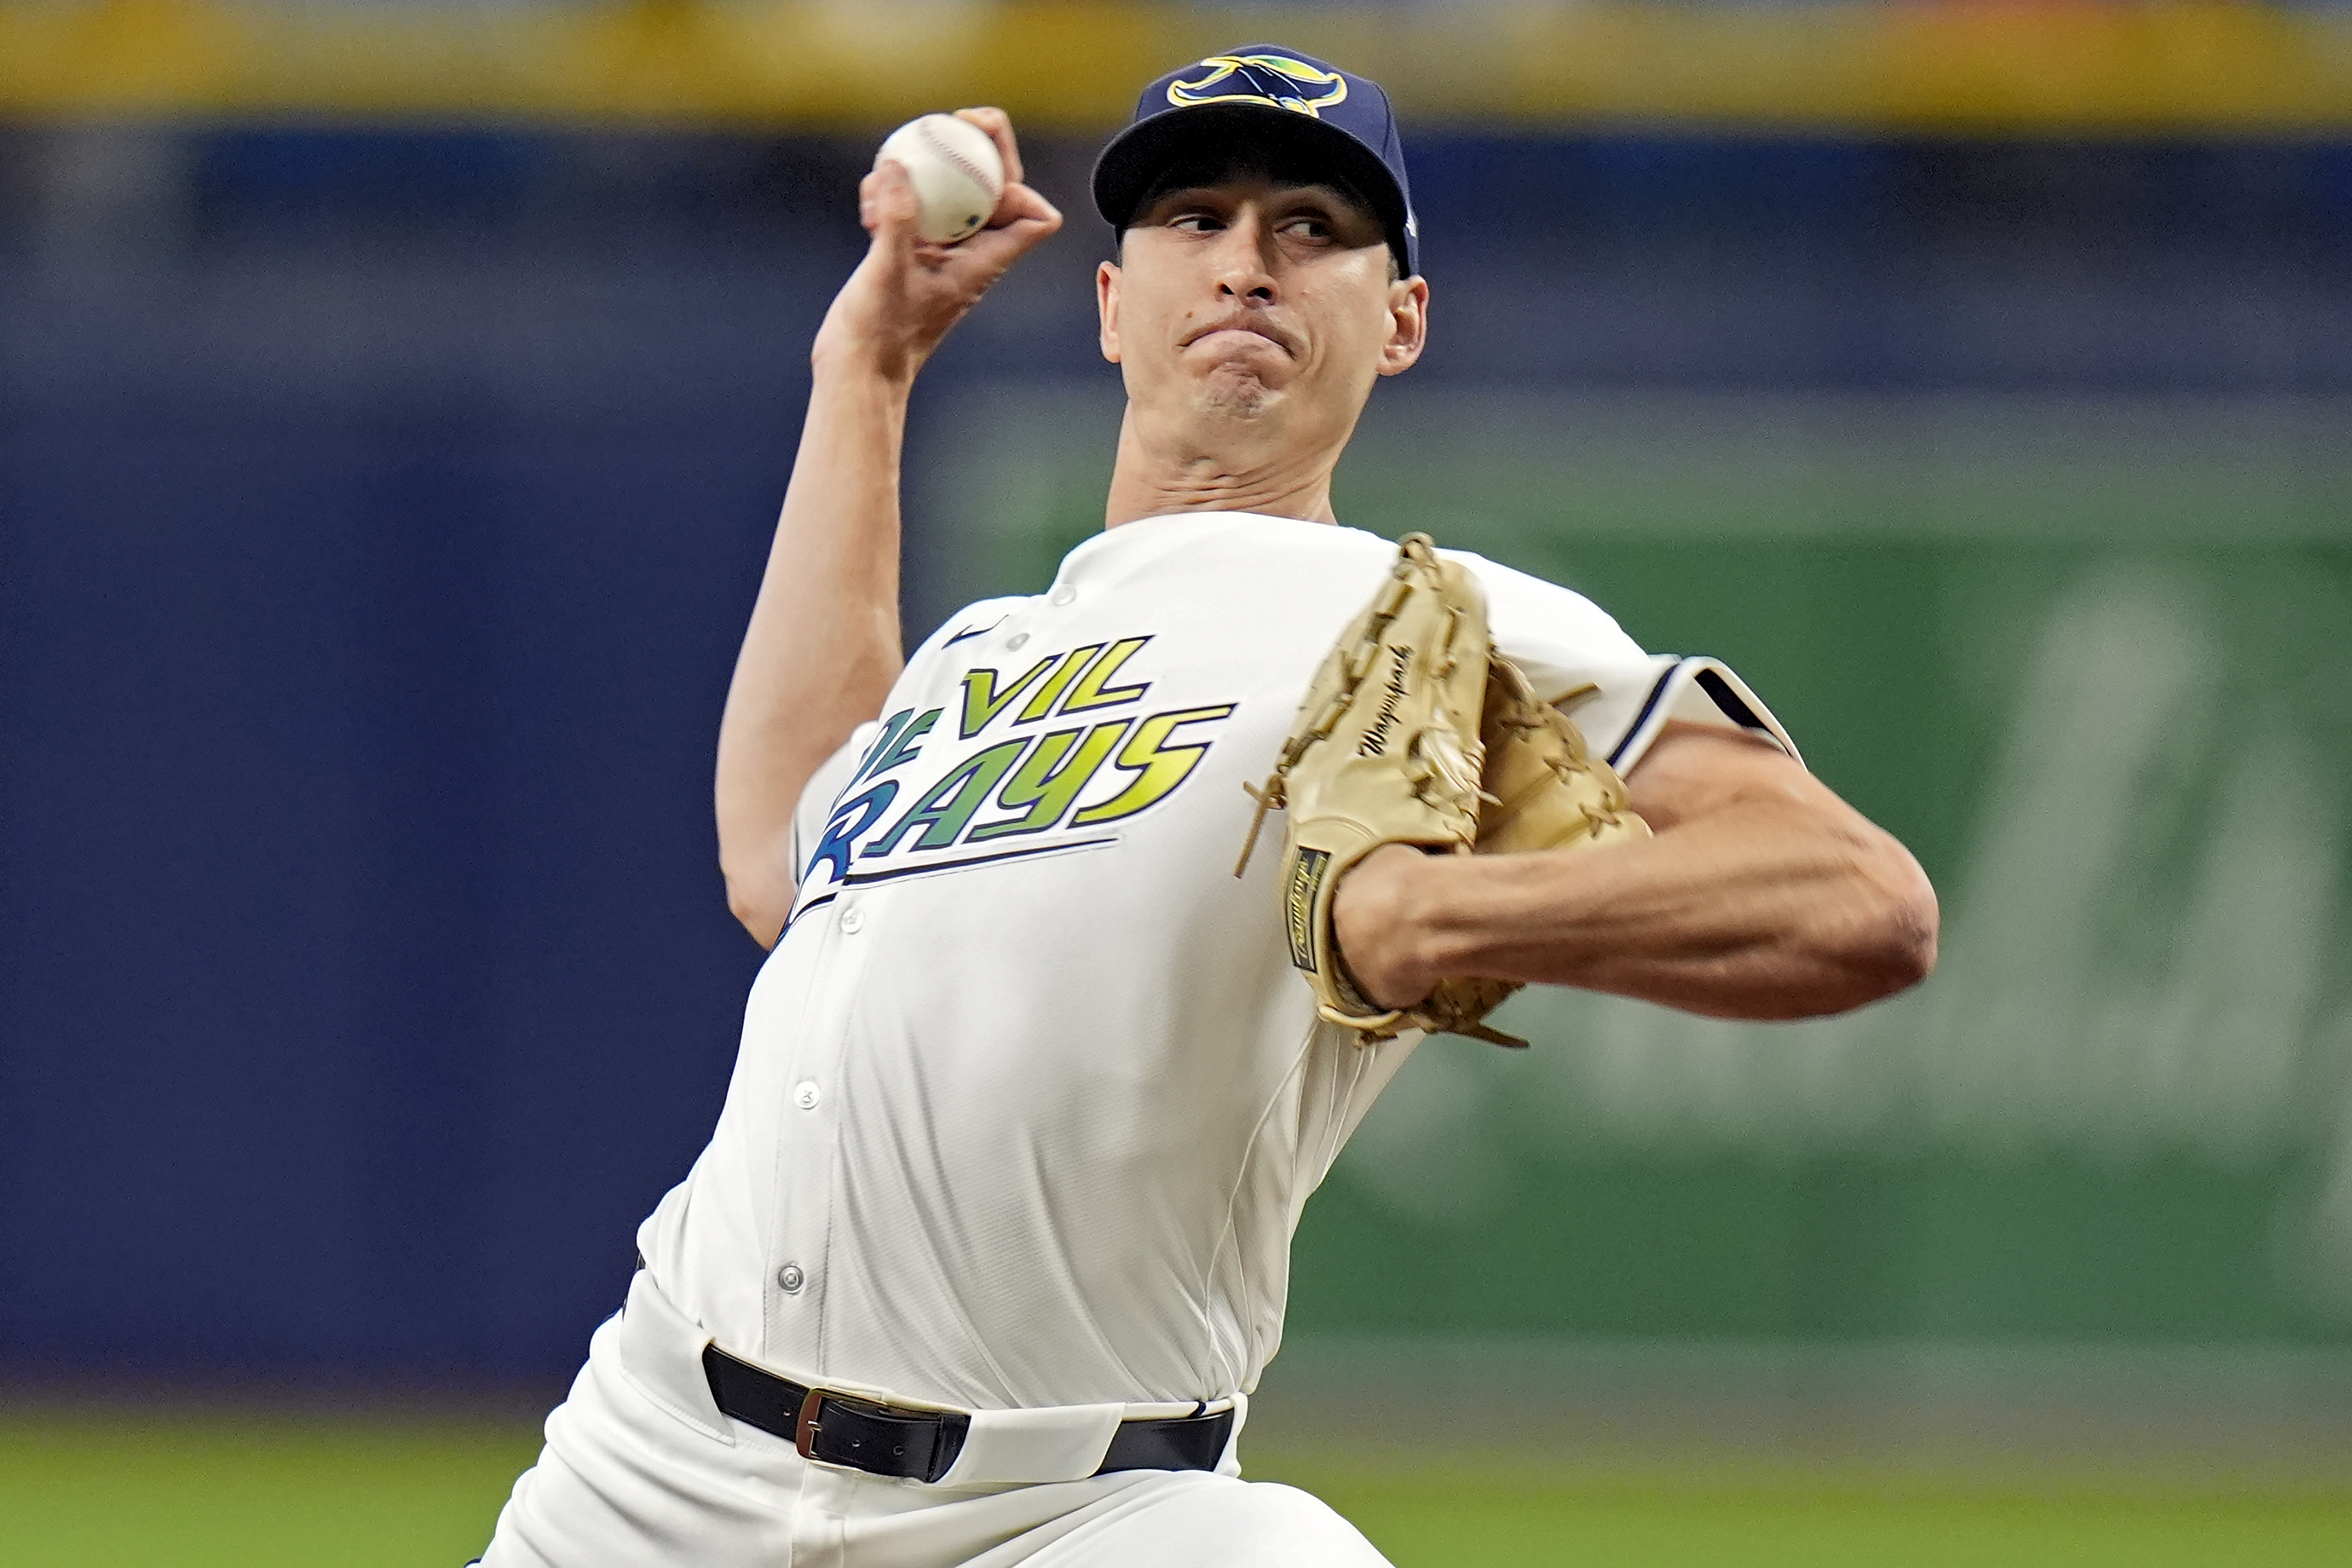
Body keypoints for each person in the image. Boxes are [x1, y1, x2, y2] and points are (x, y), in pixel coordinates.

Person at [475, 46, 1938, 1568]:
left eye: (1311, 226)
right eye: (1196, 218)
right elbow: (780, 848)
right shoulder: (988, 648)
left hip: (1077, 1508)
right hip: (655, 1464)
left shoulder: (1417, 620)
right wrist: (869, 365)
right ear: (1114, 307)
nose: (1247, 262)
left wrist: (1444, 909)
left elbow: (1857, 900)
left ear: (1404, 321)